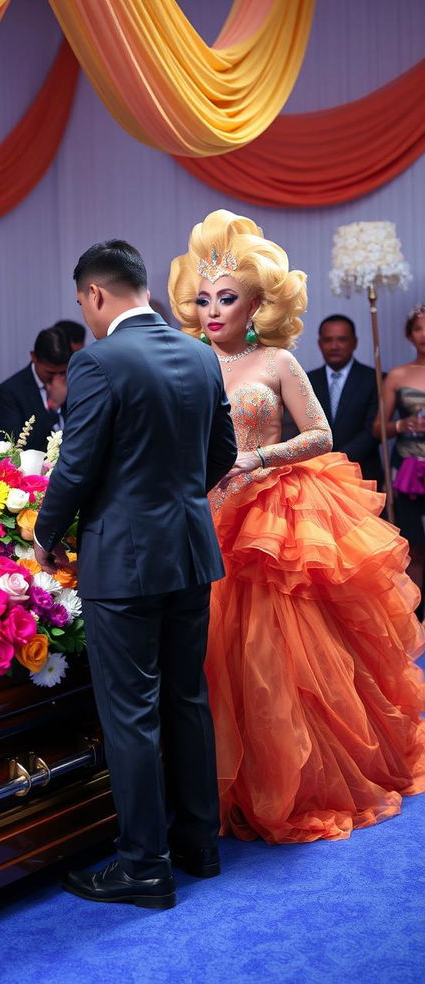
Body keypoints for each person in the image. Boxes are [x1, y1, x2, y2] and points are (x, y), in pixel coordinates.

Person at [168, 209, 425, 845]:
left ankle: (302, 778)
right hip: (210, 513)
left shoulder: (276, 361)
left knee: (282, 650)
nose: (212, 311)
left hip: (279, 512)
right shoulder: (188, 363)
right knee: (217, 653)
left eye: (226, 299)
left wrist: (256, 457)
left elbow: (321, 434)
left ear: (256, 305)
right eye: (202, 300)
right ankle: (232, 779)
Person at [34, 240, 237, 908]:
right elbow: (223, 452)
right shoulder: (200, 353)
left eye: (82, 304)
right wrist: (175, 500)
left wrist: (45, 534)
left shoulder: (98, 361)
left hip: (123, 559)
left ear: (95, 294)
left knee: (130, 713)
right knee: (186, 698)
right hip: (188, 549)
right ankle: (198, 846)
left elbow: (77, 467)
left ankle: (144, 865)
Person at [373, 303, 425, 607]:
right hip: (408, 473)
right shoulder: (398, 374)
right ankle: (417, 619)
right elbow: (377, 428)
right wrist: (401, 424)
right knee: (414, 545)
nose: (424, 334)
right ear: (409, 335)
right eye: (418, 328)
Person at [307, 315, 382, 484]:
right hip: (316, 474)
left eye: (342, 340)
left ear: (354, 342)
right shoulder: (305, 381)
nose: (334, 346)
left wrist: (337, 460)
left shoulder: (375, 379)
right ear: (320, 344)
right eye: (328, 340)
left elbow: (373, 431)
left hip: (362, 473)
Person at [0, 326, 70, 451]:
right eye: (50, 373)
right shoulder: (11, 391)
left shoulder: (74, 381)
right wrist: (53, 406)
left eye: (62, 372)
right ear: (33, 357)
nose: (57, 379)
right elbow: (15, 446)